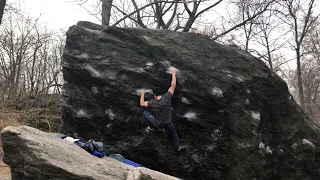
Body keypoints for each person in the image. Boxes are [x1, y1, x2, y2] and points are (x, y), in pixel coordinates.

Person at [140, 68, 184, 152]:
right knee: (173, 132)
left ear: (155, 95)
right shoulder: (167, 97)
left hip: (158, 123)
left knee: (145, 112)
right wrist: (173, 74)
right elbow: (173, 86)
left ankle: (151, 127)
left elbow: (142, 103)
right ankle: (177, 147)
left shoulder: (152, 102)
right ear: (162, 94)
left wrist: (142, 94)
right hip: (168, 121)